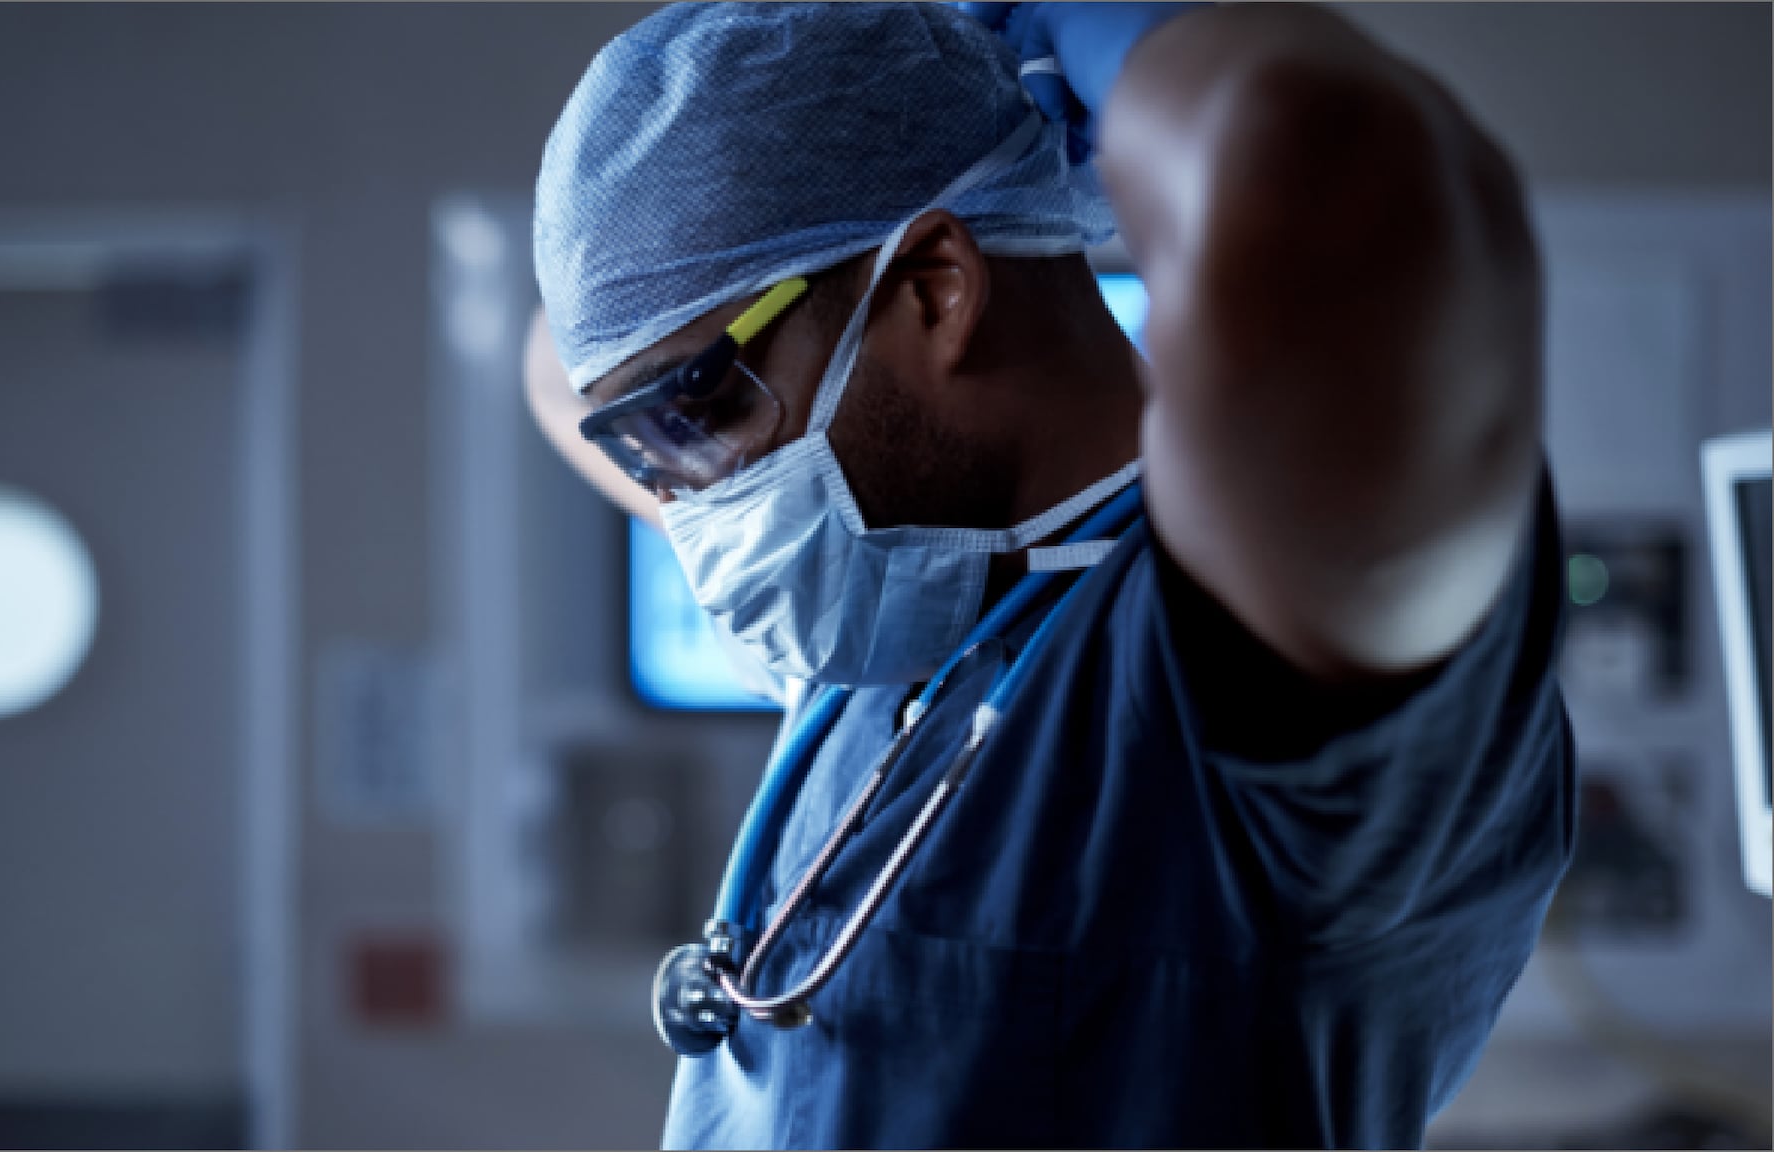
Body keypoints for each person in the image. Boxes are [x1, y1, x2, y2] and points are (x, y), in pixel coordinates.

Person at [525, 3, 1571, 1147]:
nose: (689, 506)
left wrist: (1113, 41)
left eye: (694, 415)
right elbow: (567, 355)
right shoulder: (899, 607)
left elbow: (1343, 181)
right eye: (639, 453)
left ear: (932, 288)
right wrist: (823, 104)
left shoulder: (1247, 661)